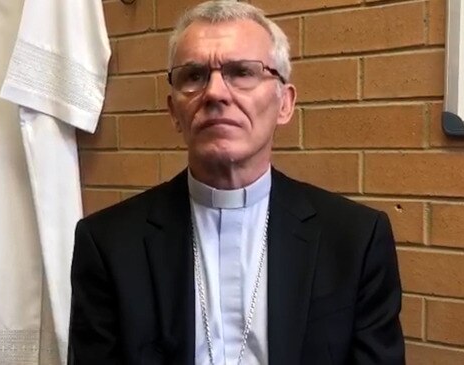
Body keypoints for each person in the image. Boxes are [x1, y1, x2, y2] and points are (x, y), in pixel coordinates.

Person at [68, 1, 405, 364]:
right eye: (194, 75)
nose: (215, 93)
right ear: (174, 112)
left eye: (242, 72)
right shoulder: (108, 244)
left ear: (284, 104)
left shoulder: (355, 240)